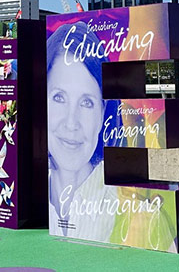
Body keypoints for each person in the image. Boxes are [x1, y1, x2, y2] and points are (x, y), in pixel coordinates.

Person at [46, 21, 114, 238]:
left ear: (102, 112)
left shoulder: (138, 213)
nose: (71, 123)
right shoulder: (24, 196)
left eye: (86, 102)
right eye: (59, 98)